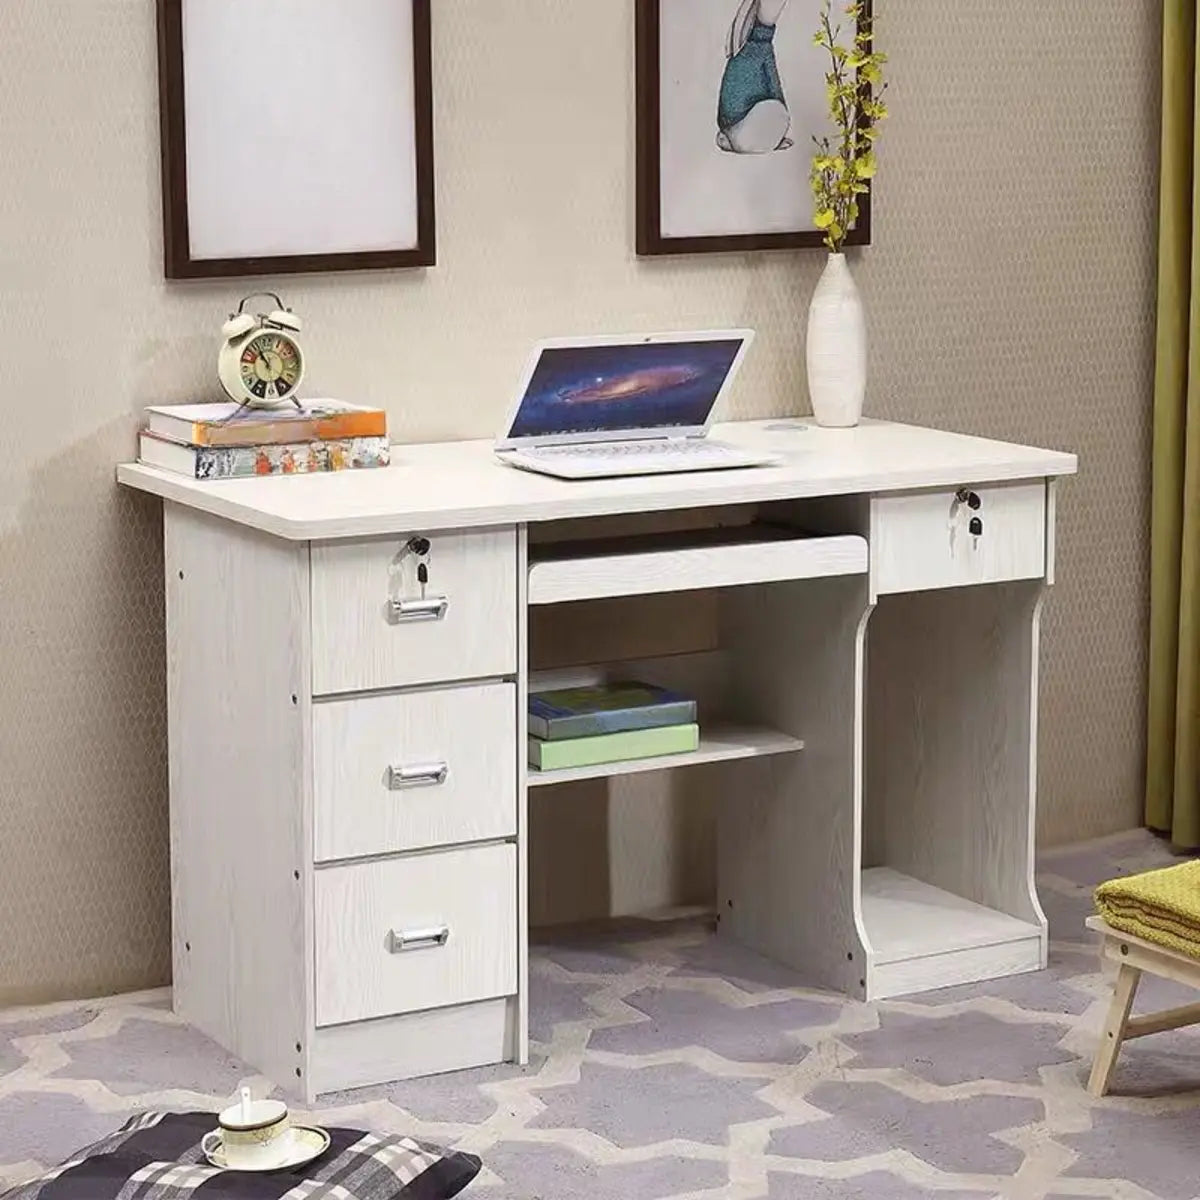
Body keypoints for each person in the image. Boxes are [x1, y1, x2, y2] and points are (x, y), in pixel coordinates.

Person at [716, 0, 793, 154]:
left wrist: (780, 106)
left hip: (747, 122)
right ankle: (747, 141)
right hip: (738, 123)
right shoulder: (744, 52)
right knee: (774, 113)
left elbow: (773, 82)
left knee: (776, 112)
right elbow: (733, 93)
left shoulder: (762, 47)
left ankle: (765, 140)